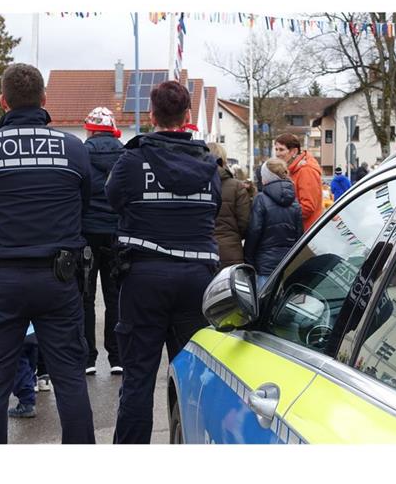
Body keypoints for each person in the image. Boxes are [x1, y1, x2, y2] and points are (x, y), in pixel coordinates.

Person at [0, 63, 94, 444]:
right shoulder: (71, 147)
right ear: (44, 100)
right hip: (58, 278)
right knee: (69, 377)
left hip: (0, 278)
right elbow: (83, 202)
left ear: (3, 101)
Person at [106, 80, 221, 444]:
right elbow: (214, 209)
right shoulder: (209, 165)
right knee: (191, 377)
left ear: (151, 115)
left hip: (144, 277)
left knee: (138, 377)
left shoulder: (131, 160)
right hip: (197, 279)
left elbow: (113, 201)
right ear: (188, 116)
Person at [81, 106, 125, 376]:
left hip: (85, 231)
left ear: (90, 128)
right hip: (116, 232)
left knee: (85, 297)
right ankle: (117, 356)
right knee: (115, 296)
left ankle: (87, 357)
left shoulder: (81, 153)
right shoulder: (124, 154)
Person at [244, 158, 302, 289]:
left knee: (263, 304)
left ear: (265, 178)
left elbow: (254, 231)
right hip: (287, 263)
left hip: (264, 264)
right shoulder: (295, 202)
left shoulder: (261, 199)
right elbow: (299, 235)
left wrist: (248, 259)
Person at [207, 142, 250, 270]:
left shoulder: (193, 184)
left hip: (202, 250)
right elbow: (245, 223)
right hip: (230, 252)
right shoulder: (236, 186)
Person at [273, 133, 323, 232]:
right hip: (300, 230)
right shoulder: (294, 169)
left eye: (281, 149)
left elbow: (307, 207)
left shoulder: (306, 171)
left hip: (307, 232)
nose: (277, 154)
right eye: (276, 149)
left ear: (294, 151)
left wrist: (281, 214)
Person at [8, 324, 39, 419]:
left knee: (20, 369)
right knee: (30, 365)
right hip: (32, 331)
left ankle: (27, 403)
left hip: (16, 332)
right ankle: (29, 394)